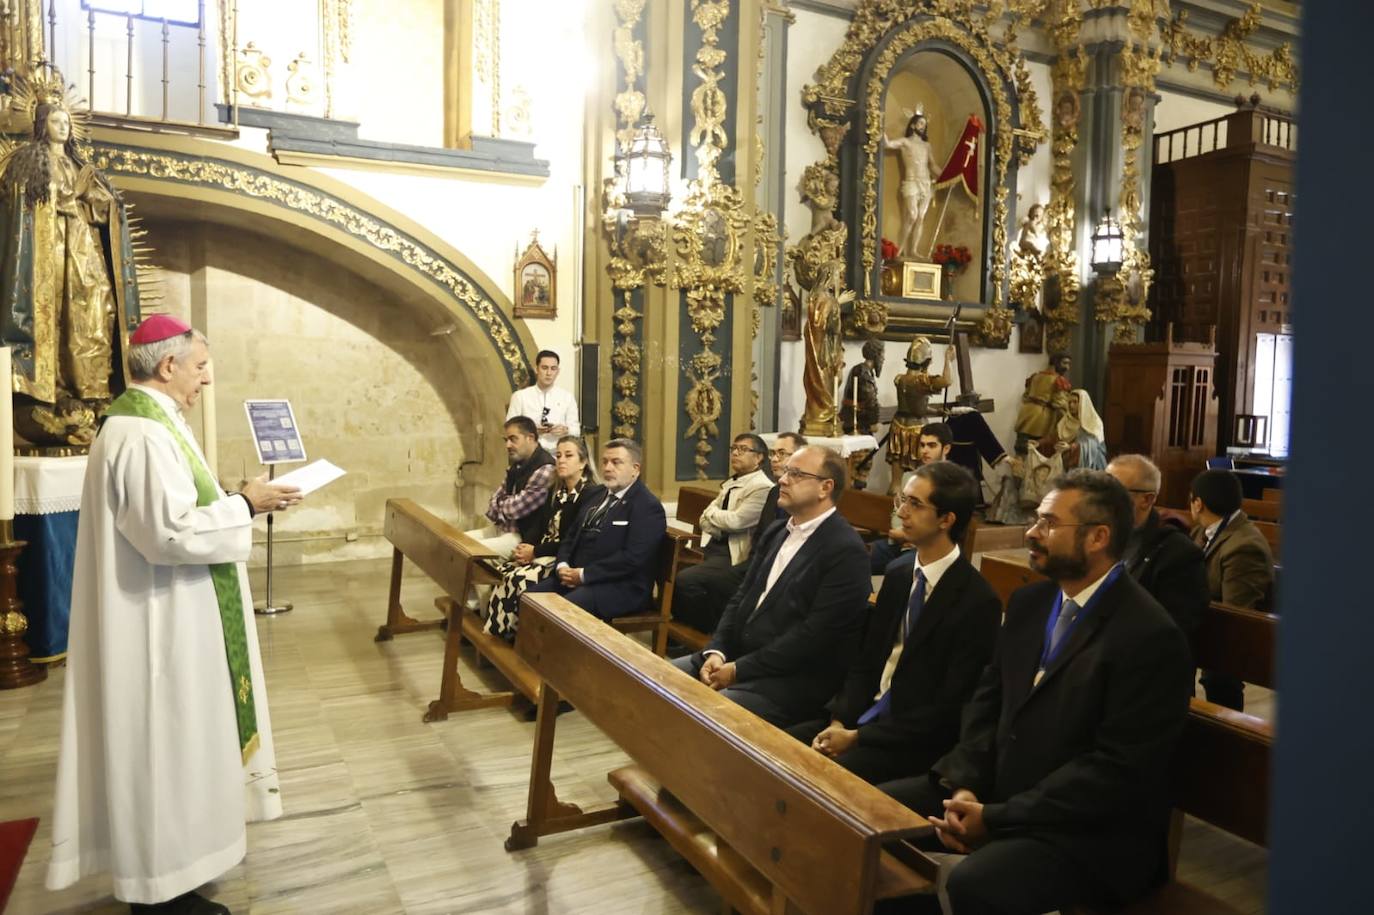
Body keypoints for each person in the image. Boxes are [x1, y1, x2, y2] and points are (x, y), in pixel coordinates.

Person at [46, 315, 304, 914]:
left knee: (184, 742)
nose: (205, 381)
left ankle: (179, 867)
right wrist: (245, 502)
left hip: (180, 613)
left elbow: (181, 505)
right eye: (200, 367)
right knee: (163, 743)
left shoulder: (157, 421)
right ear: (168, 366)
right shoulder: (139, 432)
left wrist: (238, 498)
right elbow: (167, 533)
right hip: (156, 625)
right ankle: (159, 894)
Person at [878, 470, 1193, 915]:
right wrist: (966, 786)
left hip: (1086, 831)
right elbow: (986, 704)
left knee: (976, 883)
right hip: (1000, 794)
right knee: (873, 815)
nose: (1031, 532)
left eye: (1048, 523)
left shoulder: (1148, 636)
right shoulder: (1031, 604)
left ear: (1098, 537)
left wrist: (997, 818)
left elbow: (1113, 772)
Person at [790, 462, 1000, 785]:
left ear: (947, 520)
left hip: (911, 740)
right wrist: (839, 719)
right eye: (903, 499)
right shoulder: (900, 573)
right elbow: (867, 659)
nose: (902, 512)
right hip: (863, 717)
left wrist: (859, 737)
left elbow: (948, 707)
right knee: (780, 746)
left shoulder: (977, 601)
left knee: (820, 779)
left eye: (915, 504)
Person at [673, 446, 871, 729]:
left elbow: (813, 636)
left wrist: (739, 670)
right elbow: (740, 597)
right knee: (660, 678)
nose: (782, 479)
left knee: (711, 713)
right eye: (786, 471)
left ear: (825, 487)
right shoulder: (778, 532)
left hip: (792, 678)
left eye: (796, 473)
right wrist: (717, 651)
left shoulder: (845, 550)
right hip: (741, 657)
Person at [0, 72, 142, 447]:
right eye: (55, 121)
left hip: (82, 246)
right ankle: (55, 388)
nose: (62, 126)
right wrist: (60, 197)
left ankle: (93, 391)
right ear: (41, 125)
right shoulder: (29, 162)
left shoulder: (82, 168)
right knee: (54, 318)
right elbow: (21, 207)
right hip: (47, 251)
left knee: (95, 310)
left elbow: (104, 209)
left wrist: (99, 201)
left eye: (65, 121)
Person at [527, 438, 667, 620]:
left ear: (635, 469)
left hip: (620, 586)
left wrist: (584, 575)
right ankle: (531, 648)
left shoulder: (647, 506)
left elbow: (632, 559)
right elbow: (570, 537)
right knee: (530, 599)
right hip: (578, 577)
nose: (608, 468)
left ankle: (556, 649)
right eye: (605, 461)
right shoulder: (596, 494)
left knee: (563, 611)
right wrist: (562, 565)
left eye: (616, 462)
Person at [484, 435, 605, 641]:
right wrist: (527, 547)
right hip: (542, 553)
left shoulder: (591, 494)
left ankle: (521, 640)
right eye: (558, 455)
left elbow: (571, 540)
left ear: (583, 462)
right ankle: (498, 636)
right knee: (503, 570)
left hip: (563, 558)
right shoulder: (556, 491)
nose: (561, 460)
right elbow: (540, 526)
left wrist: (535, 552)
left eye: (569, 455)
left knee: (519, 579)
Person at [1189, 469, 1274, 710]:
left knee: (1218, 679)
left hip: (1230, 637)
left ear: (1198, 503)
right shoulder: (1202, 531)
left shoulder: (1244, 545)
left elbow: (1235, 614)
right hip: (1203, 622)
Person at [673, 433, 774, 633]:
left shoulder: (762, 487)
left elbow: (736, 522)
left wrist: (715, 516)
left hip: (734, 555)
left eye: (743, 449)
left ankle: (704, 631)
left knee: (686, 580)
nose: (735, 453)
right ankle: (681, 632)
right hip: (717, 544)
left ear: (759, 457)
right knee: (670, 568)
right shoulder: (734, 481)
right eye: (733, 448)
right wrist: (718, 520)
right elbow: (704, 519)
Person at [1107, 455, 1209, 642]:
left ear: (1147, 499)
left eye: (1114, 492)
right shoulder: (1099, 537)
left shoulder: (1179, 554)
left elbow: (1172, 631)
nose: (1102, 501)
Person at [465, 416, 555, 562]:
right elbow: (492, 506)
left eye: (513, 439)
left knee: (472, 553)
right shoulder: (516, 465)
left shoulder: (545, 468)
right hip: (502, 527)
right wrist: (505, 503)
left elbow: (514, 509)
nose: (507, 445)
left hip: (521, 537)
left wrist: (503, 502)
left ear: (530, 438)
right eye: (506, 440)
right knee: (458, 542)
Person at [870, 422, 953, 574]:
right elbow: (898, 511)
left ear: (946, 448)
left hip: (927, 548)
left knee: (896, 570)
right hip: (898, 542)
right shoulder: (910, 477)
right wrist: (899, 532)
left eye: (931, 445)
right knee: (858, 557)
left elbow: (943, 525)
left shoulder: (952, 483)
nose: (925, 451)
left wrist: (907, 535)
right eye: (922, 445)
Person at [881, 106, 940, 257]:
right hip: (911, 182)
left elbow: (932, 165)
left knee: (920, 217)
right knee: (912, 215)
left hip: (926, 183)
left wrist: (946, 176)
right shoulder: (906, 142)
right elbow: (888, 144)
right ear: (913, 125)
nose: (923, 126)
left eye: (924, 124)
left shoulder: (927, 146)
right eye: (920, 123)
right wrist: (880, 127)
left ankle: (913, 250)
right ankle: (900, 249)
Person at [506, 349, 581, 452]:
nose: (549, 373)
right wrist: (531, 430)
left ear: (558, 371)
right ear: (536, 369)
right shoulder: (520, 396)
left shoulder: (567, 397)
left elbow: (576, 430)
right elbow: (510, 428)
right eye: (544, 368)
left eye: (553, 368)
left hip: (557, 455)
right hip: (529, 455)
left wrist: (565, 430)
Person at [752, 432, 806, 552]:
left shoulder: (804, 496)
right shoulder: (774, 492)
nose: (774, 459)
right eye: (773, 453)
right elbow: (759, 536)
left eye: (781, 453)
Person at [1035, 388, 1106, 471]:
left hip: (1089, 465)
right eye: (1069, 402)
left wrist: (1070, 447)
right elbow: (1054, 438)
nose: (1071, 405)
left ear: (1083, 403)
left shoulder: (1093, 422)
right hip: (1066, 463)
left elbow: (1093, 445)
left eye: (1075, 402)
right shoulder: (1065, 421)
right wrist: (1038, 443)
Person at [1013, 352, 1072, 453]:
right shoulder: (1058, 380)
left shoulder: (1035, 376)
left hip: (1025, 415)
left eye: (1068, 364)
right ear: (1055, 363)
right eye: (1064, 363)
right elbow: (1059, 403)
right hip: (1041, 420)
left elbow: (1025, 396)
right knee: (1038, 452)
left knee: (1022, 450)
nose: (1067, 367)